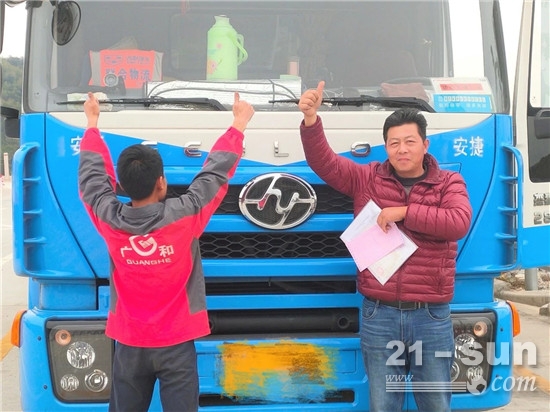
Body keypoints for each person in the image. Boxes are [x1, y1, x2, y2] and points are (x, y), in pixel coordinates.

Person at [298, 81, 472, 412]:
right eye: (394, 143)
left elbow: (458, 222)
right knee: (383, 404)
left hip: (430, 316)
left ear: (425, 145)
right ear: (386, 147)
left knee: (435, 403)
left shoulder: (448, 182)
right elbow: (325, 163)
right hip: (379, 313)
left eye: (409, 141)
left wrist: (405, 212)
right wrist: (311, 120)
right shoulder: (367, 178)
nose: (402, 149)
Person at [78, 91, 255, 411]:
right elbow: (214, 173)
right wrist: (238, 125)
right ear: (161, 182)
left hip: (129, 344)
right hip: (176, 344)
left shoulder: (110, 220)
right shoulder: (186, 214)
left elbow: (92, 180)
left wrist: (92, 124)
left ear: (121, 185)